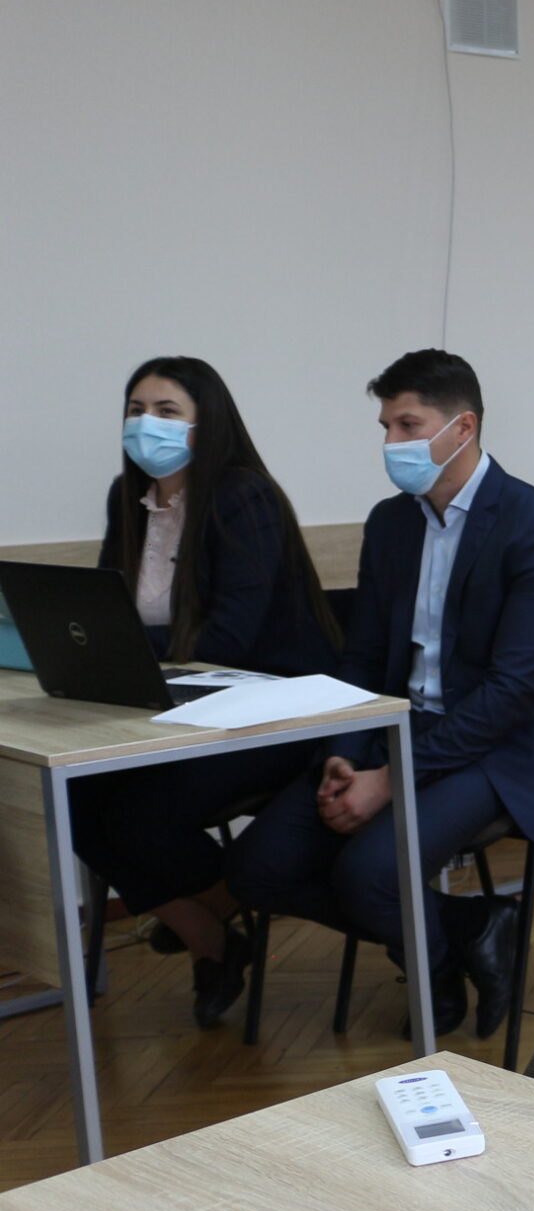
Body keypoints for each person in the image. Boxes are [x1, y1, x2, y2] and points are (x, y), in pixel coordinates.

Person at [230, 351, 534, 1039]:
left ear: (462, 427)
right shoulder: (392, 523)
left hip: (509, 745)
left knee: (369, 875)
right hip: (404, 728)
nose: (392, 442)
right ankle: (466, 930)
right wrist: (346, 752)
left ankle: (433, 966)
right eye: (385, 426)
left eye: (408, 425)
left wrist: (389, 780)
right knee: (257, 868)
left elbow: (512, 693)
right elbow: (362, 658)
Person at [72, 357, 338, 1027]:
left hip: (273, 715)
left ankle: (214, 916)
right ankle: (211, 932)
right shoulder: (128, 496)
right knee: (72, 798)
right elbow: (111, 614)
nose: (147, 424)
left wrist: (132, 652)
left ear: (206, 421)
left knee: (138, 814)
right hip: (179, 712)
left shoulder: (242, 496)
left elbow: (227, 640)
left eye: (167, 411)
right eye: (136, 410)